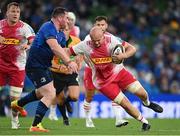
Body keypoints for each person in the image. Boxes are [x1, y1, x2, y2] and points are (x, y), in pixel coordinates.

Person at [67, 26, 163, 131]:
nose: (97, 43)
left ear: (103, 36)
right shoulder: (85, 45)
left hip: (120, 73)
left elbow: (132, 48)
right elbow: (68, 51)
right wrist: (67, 60)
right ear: (90, 38)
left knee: (142, 94)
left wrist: (123, 55)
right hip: (103, 82)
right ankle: (144, 122)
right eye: (94, 41)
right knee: (125, 104)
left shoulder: (112, 40)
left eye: (98, 40)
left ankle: (147, 103)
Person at [11, 7, 78, 132]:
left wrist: (68, 62)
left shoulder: (61, 34)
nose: (68, 21)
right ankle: (35, 125)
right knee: (50, 93)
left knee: (41, 92)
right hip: (35, 65)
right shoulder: (48, 27)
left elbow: (62, 51)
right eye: (67, 18)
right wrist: (69, 62)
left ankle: (18, 104)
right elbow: (54, 47)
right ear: (60, 18)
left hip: (44, 66)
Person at [83, 16, 128, 128]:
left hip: (107, 70)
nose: (101, 27)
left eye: (102, 25)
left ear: (106, 26)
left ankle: (118, 119)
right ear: (94, 25)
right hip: (91, 70)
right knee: (89, 96)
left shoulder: (112, 38)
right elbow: (82, 53)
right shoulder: (88, 38)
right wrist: (92, 65)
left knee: (116, 92)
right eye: (98, 25)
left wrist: (121, 56)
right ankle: (88, 119)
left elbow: (124, 46)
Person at [0, 2, 35, 129]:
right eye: (13, 11)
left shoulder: (24, 28)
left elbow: (33, 41)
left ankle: (14, 120)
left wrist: (28, 46)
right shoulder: (0, 26)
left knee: (14, 100)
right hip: (1, 66)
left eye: (17, 12)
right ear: (7, 13)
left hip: (17, 67)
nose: (15, 14)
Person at [49, 24, 83, 125]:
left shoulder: (76, 41)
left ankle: (68, 102)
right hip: (57, 73)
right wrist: (57, 66)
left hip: (71, 72)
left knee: (74, 97)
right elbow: (48, 58)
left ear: (70, 30)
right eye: (62, 30)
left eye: (66, 30)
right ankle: (65, 118)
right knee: (60, 98)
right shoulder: (53, 41)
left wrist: (78, 63)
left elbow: (81, 54)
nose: (64, 32)